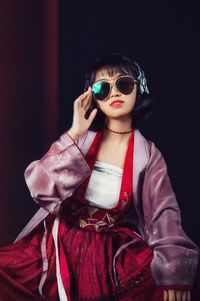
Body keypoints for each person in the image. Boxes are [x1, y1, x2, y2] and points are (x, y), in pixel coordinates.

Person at [0, 53, 199, 301]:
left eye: (123, 84)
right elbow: (40, 187)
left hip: (110, 252)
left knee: (169, 283)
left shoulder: (148, 154)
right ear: (90, 97)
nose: (114, 93)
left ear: (139, 89)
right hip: (59, 243)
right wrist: (74, 132)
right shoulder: (81, 141)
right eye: (102, 87)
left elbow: (163, 214)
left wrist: (174, 272)